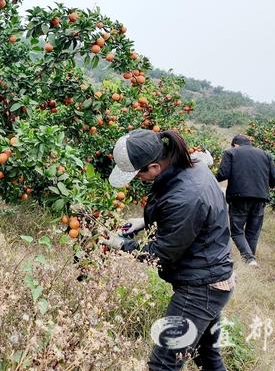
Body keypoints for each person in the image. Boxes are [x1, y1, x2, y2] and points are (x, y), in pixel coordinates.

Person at [101, 129, 234, 371]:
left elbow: (160, 254)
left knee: (163, 365)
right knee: (207, 357)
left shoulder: (186, 197)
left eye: (138, 174)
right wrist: (143, 222)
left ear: (153, 167)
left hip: (200, 288)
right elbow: (186, 221)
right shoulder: (191, 164)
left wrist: (121, 244)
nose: (139, 180)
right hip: (213, 278)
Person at [215, 134, 275, 267]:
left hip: (239, 197)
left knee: (237, 230)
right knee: (253, 231)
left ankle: (249, 258)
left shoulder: (230, 153)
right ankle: (250, 261)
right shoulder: (265, 155)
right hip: (260, 197)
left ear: (235, 145)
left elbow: (223, 175)